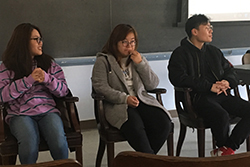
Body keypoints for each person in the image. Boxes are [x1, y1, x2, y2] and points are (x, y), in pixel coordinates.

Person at [168, 14, 250, 156]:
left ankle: (227, 149)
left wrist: (227, 82)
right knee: (221, 116)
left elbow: (230, 71)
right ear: (194, 31)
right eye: (207, 28)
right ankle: (225, 152)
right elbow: (178, 78)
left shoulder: (214, 51)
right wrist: (208, 86)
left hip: (221, 95)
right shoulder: (180, 53)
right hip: (197, 98)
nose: (211, 31)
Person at [91, 24, 172, 154]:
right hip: (118, 105)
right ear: (115, 42)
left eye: (132, 42)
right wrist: (124, 98)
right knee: (135, 126)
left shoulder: (137, 59)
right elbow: (101, 88)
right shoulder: (103, 61)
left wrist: (141, 64)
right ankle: (149, 160)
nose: (129, 46)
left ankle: (145, 161)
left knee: (163, 123)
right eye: (124, 42)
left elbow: (152, 84)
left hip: (141, 100)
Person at [0, 23, 69, 164]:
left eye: (41, 39)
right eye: (36, 39)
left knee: (59, 142)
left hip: (47, 111)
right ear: (23, 42)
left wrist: (47, 79)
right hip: (20, 114)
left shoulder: (49, 64)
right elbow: (2, 95)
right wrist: (29, 80)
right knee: (29, 143)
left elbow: (63, 91)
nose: (40, 43)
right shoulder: (7, 66)